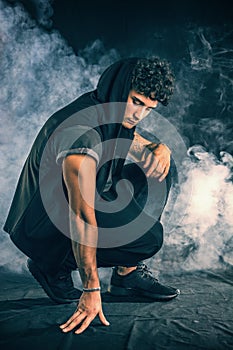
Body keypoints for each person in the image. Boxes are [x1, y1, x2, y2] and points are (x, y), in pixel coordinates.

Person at [4, 56, 180, 334]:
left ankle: (127, 275)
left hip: (75, 205)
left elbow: (131, 139)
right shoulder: (80, 134)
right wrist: (91, 288)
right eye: (136, 101)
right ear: (119, 89)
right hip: (41, 227)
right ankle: (53, 265)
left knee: (158, 168)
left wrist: (160, 147)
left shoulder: (107, 109)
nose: (138, 115)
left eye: (149, 108)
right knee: (148, 238)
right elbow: (81, 214)